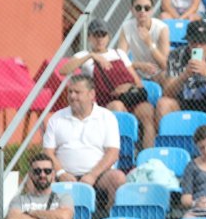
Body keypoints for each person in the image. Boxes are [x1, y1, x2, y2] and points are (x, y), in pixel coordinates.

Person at [61, 19, 157, 150]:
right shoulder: (84, 55)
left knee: (147, 111)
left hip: (131, 98)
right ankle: (121, 153)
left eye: (103, 35)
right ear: (89, 37)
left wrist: (129, 87)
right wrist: (91, 56)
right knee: (117, 107)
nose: (100, 39)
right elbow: (64, 70)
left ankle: (147, 154)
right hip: (108, 100)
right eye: (96, 35)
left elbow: (137, 81)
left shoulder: (119, 53)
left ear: (109, 37)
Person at [43, 75, 125, 209]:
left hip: (99, 176)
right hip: (62, 174)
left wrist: (92, 175)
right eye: (70, 92)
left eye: (77, 92)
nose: (72, 96)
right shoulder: (56, 118)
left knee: (118, 178)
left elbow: (112, 153)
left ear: (91, 94)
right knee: (36, 178)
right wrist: (61, 173)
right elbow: (48, 152)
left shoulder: (107, 117)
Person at [157, 20, 206, 141]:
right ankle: (168, 145)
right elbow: (167, 92)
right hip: (182, 102)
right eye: (194, 42)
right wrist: (184, 75)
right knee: (163, 103)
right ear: (188, 41)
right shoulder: (175, 56)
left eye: (202, 42)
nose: (198, 46)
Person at [117, 0, 171, 82]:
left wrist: (149, 43)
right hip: (136, 72)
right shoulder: (126, 27)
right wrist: (139, 65)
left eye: (146, 8)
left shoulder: (162, 28)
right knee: (118, 73)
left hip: (158, 73)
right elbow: (120, 60)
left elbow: (165, 65)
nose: (142, 11)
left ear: (152, 10)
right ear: (132, 10)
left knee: (167, 76)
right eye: (138, 8)